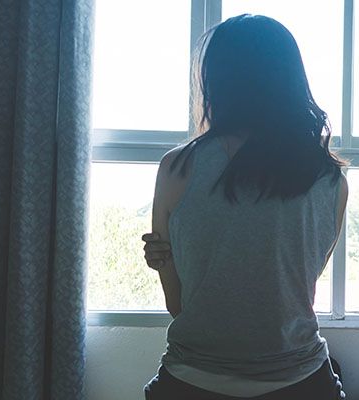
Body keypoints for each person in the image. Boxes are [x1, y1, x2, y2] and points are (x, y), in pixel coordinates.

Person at [140, 14, 348, 400]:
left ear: (215, 80)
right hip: (302, 382)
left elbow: (179, 306)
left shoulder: (179, 167)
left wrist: (166, 260)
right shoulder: (330, 179)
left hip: (195, 381)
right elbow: (294, 291)